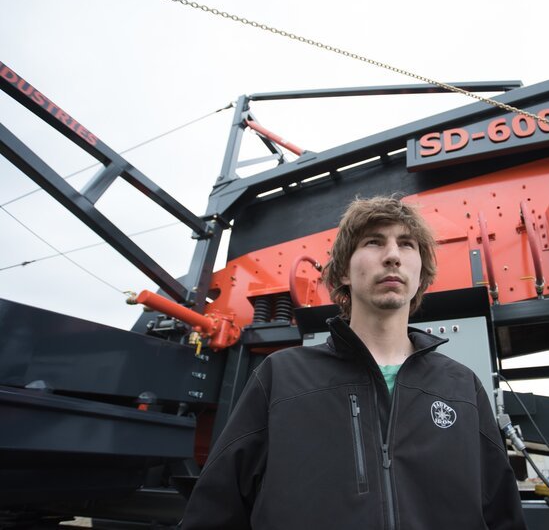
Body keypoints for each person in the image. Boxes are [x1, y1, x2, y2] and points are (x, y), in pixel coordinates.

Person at [182, 196, 526, 529]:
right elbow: (215, 513)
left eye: (407, 244)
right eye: (374, 242)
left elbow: (501, 514)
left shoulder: (462, 386)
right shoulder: (280, 377)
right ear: (344, 271)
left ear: (420, 274)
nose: (392, 255)